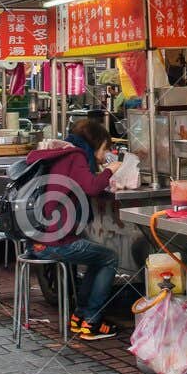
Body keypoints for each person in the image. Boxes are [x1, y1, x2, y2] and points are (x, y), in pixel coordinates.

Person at [24, 120, 121, 341]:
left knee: (97, 259)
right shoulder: (76, 156)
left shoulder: (62, 153)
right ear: (95, 143)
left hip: (38, 239)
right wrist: (109, 170)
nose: (104, 154)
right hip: (56, 242)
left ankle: (80, 316)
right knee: (109, 258)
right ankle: (92, 321)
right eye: (105, 148)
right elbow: (92, 187)